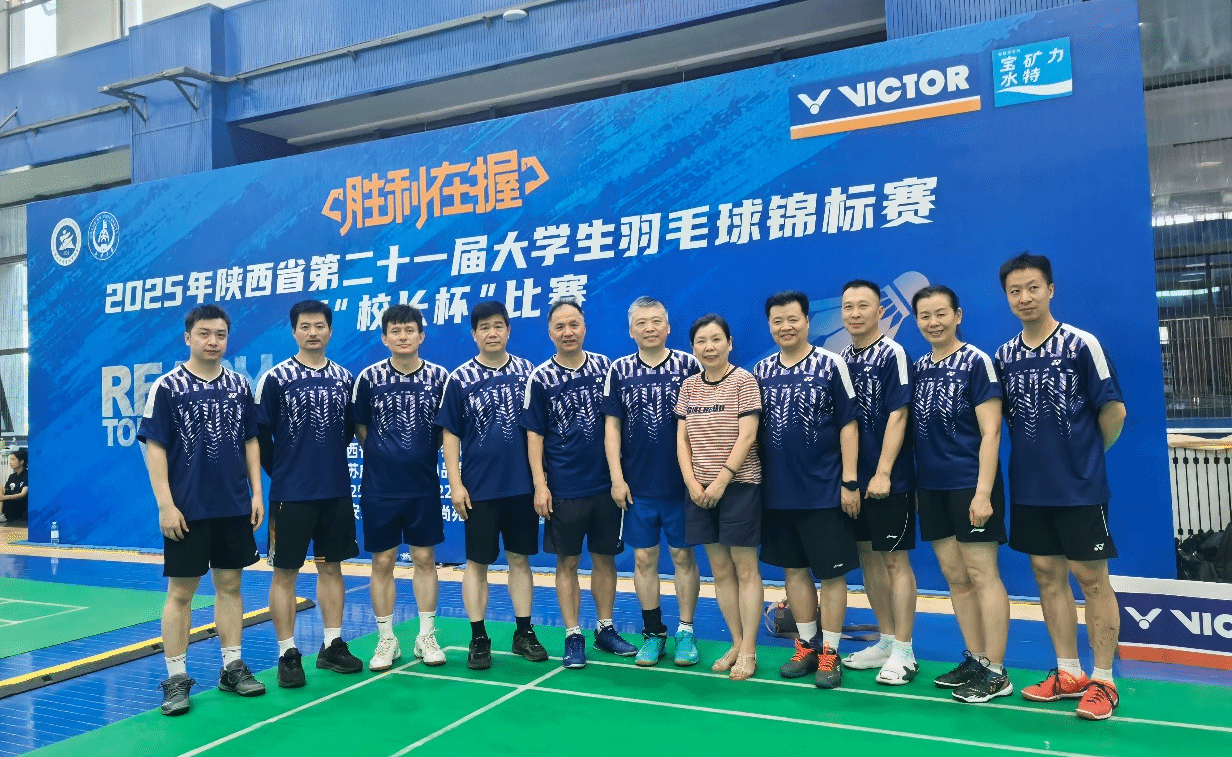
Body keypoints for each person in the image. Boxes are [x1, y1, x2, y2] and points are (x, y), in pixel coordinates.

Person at [995, 252, 1126, 721]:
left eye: (1033, 287)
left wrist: (1086, 459)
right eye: (1015, 291)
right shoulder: (1004, 356)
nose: (1025, 298)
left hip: (1080, 489)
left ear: (1050, 289)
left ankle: (1104, 680)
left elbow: (1114, 412)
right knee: (1047, 576)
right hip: (1030, 490)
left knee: (1091, 579)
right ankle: (1068, 673)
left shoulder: (1081, 344)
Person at [137, 305, 265, 716]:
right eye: (205, 333)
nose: (213, 341)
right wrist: (166, 504)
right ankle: (176, 679)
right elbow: (154, 447)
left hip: (232, 506)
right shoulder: (167, 387)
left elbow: (250, 441)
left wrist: (257, 494)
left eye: (220, 334)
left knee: (230, 586)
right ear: (188, 338)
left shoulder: (240, 385)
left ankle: (232, 667)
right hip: (187, 510)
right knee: (181, 593)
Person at [910, 285, 1012, 703]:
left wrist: (983, 493)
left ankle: (997, 670)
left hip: (970, 485)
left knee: (982, 574)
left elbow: (991, 431)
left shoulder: (976, 362)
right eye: (925, 316)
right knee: (955, 577)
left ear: (958, 315)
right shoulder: (919, 367)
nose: (933, 322)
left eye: (941, 314)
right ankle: (975, 658)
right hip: (932, 488)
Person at [524, 298, 638, 669]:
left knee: (605, 559)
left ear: (584, 328)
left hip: (605, 486)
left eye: (573, 324)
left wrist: (618, 477)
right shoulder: (540, 378)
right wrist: (541, 485)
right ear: (550, 333)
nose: (568, 332)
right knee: (567, 563)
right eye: (560, 326)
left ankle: (605, 629)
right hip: (565, 488)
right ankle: (573, 635)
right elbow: (534, 437)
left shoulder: (605, 368)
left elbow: (616, 424)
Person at [754, 291, 860, 690]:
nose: (786, 327)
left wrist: (849, 481)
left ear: (807, 321)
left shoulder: (831, 364)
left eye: (793, 319)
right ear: (770, 326)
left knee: (831, 576)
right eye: (777, 321)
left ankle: (831, 652)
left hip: (825, 492)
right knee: (794, 573)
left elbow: (849, 424)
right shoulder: (761, 371)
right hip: (778, 496)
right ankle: (807, 646)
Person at [436, 301, 548, 671]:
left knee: (520, 560)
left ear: (509, 330)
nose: (492, 333)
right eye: (484, 327)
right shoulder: (460, 378)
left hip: (521, 487)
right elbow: (450, 435)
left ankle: (524, 632)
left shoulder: (528, 373)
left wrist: (540, 482)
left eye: (498, 326)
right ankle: (478, 636)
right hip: (479, 489)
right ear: (474, 334)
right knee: (477, 563)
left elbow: (538, 431)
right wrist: (455, 484)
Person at [256, 300, 362, 688]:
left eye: (319, 326)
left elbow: (348, 431)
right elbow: (260, 435)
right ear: (294, 332)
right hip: (290, 495)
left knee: (332, 568)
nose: (312, 332)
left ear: (330, 331)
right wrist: (284, 472)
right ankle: (287, 653)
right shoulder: (276, 378)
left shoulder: (345, 379)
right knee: (285, 573)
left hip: (334, 492)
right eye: (305, 326)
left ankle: (332, 645)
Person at [602, 296, 702, 668]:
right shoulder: (619, 370)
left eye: (656, 321)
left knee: (682, 556)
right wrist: (616, 477)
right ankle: (653, 633)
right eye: (641, 323)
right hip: (637, 487)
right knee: (644, 558)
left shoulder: (689, 365)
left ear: (668, 326)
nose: (649, 328)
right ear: (631, 331)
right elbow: (611, 427)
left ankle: (686, 632)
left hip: (682, 485)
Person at [352, 305, 449, 671]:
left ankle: (426, 636)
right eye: (395, 331)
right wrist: (385, 456)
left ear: (421, 336)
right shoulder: (369, 378)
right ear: (384, 338)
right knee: (383, 561)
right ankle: (386, 640)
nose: (403, 336)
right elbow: (361, 428)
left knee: (424, 559)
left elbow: (443, 431)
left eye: (410, 330)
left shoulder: (439, 377)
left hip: (422, 486)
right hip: (380, 488)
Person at [837, 280, 920, 686]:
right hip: (853, 483)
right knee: (868, 558)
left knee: (894, 561)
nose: (855, 313)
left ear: (880, 311)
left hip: (890, 481)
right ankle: (886, 640)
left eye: (863, 306)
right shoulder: (840, 358)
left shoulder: (893, 353)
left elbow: (899, 414)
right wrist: (849, 479)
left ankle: (905, 650)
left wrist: (884, 471)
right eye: (848, 306)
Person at [675, 314, 763, 681]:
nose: (709, 347)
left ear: (729, 343)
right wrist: (693, 484)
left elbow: (748, 436)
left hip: (739, 487)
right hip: (699, 490)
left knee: (745, 569)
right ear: (693, 347)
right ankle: (736, 643)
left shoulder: (744, 381)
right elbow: (682, 440)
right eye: (701, 341)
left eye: (716, 339)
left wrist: (721, 481)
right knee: (721, 570)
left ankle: (750, 650)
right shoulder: (689, 387)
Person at [1, 448, 27, 523]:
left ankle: (1, 515)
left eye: (13, 459)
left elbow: (22, 494)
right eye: (10, 460)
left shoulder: (27, 475)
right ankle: (1, 515)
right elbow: (4, 490)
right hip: (9, 501)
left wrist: (4, 497)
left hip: (19, 503)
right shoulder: (12, 476)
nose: (10, 462)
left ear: (21, 461)